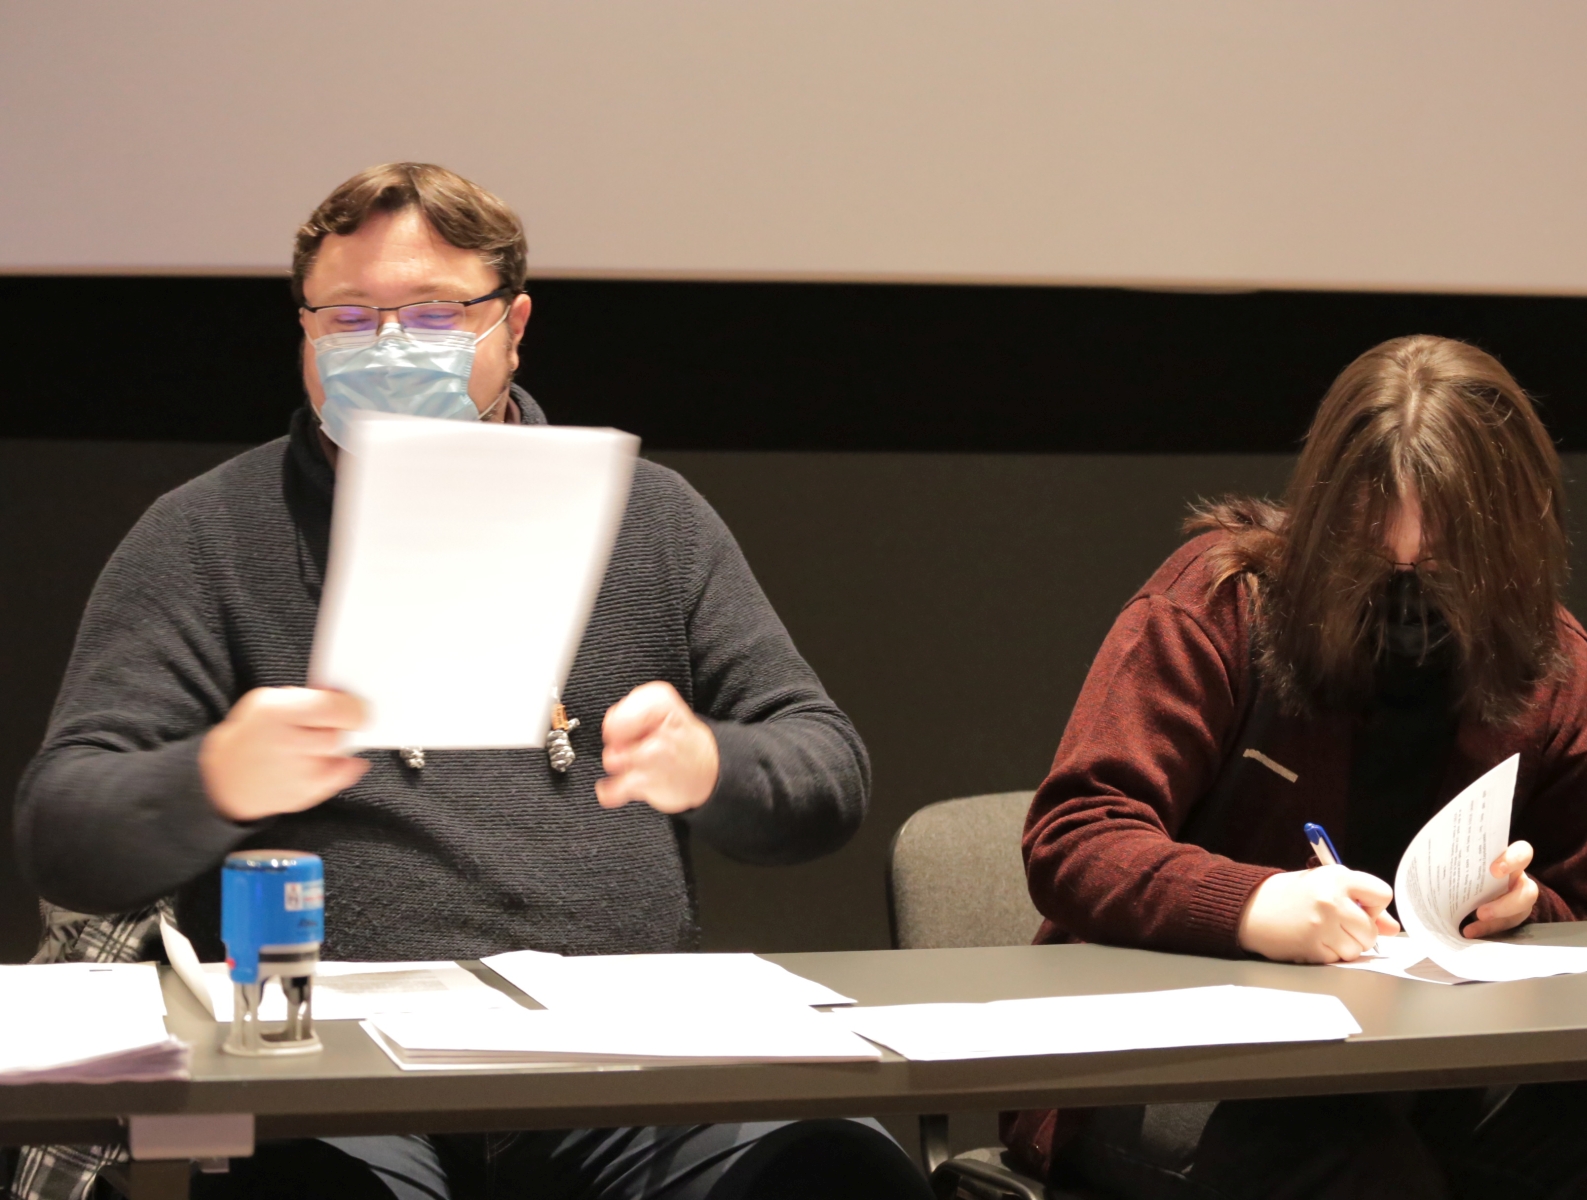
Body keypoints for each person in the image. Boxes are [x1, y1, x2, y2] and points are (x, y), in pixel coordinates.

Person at [13, 163, 929, 1200]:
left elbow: (827, 773)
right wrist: (213, 777)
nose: (387, 345)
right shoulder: (206, 533)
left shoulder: (651, 520)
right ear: (303, 331)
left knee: (834, 1169)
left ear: (513, 324)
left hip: (624, 1064)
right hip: (332, 1074)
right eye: (348, 316)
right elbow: (62, 827)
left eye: (433, 314)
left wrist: (714, 763)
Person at [1004, 335, 1587, 1199]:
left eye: (1447, 564)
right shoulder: (1219, 604)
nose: (1408, 592)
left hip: (1422, 1063)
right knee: (1349, 1164)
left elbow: (1581, 910)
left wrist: (1524, 908)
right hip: (1172, 1052)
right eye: (1374, 557)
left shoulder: (1555, 668)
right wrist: (1254, 905)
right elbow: (1075, 836)